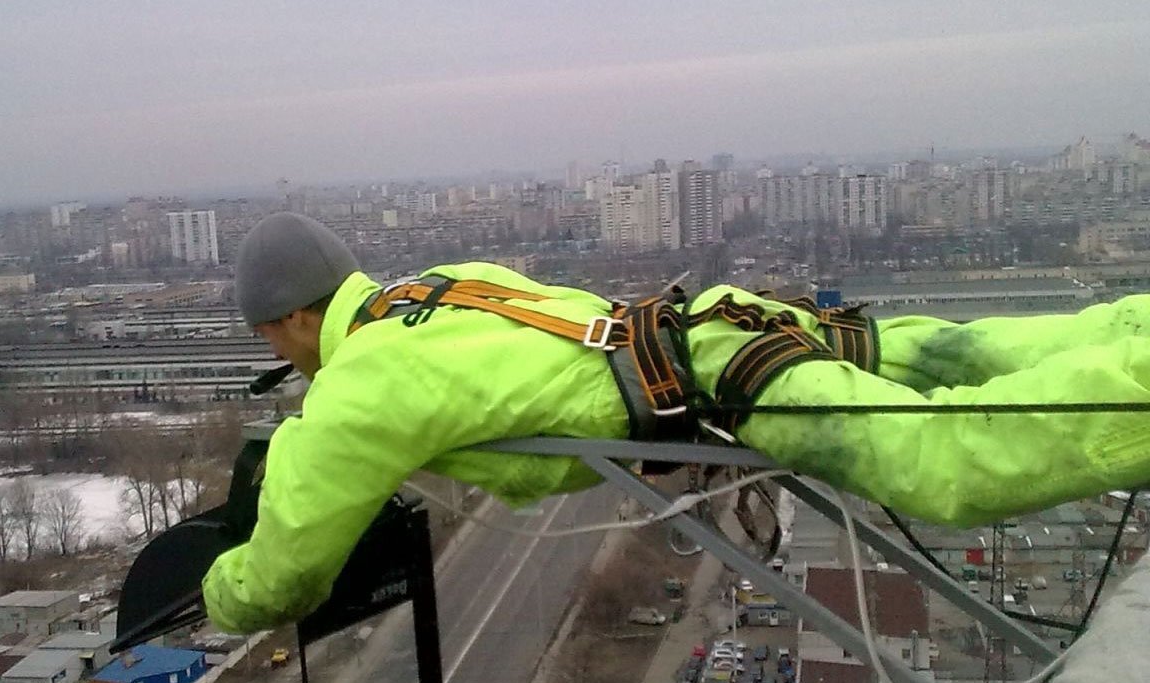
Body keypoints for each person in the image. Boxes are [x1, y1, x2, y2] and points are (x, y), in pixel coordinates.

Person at [201, 212, 1150, 634]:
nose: (290, 359)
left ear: (285, 319)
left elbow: (287, 569)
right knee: (960, 353)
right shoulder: (439, 288)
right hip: (719, 324)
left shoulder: (354, 387)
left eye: (276, 341)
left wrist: (218, 595)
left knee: (954, 461)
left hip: (727, 377)